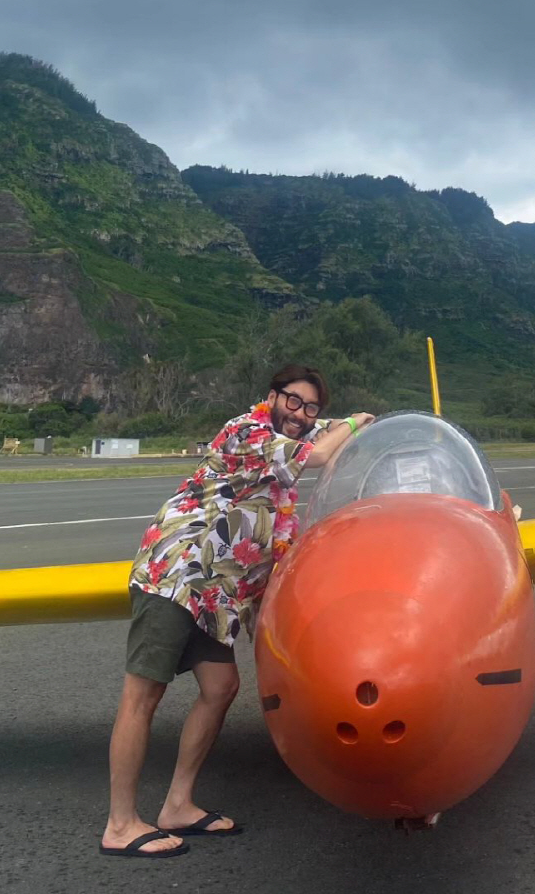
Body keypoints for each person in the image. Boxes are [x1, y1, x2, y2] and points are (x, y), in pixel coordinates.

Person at [99, 363, 375, 859]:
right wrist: (352, 423)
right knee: (142, 696)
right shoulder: (248, 432)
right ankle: (120, 824)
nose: (300, 414)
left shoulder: (278, 474)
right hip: (176, 576)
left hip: (215, 596)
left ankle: (177, 805)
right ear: (272, 396)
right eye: (294, 401)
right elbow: (317, 456)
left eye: (312, 408)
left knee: (222, 688)